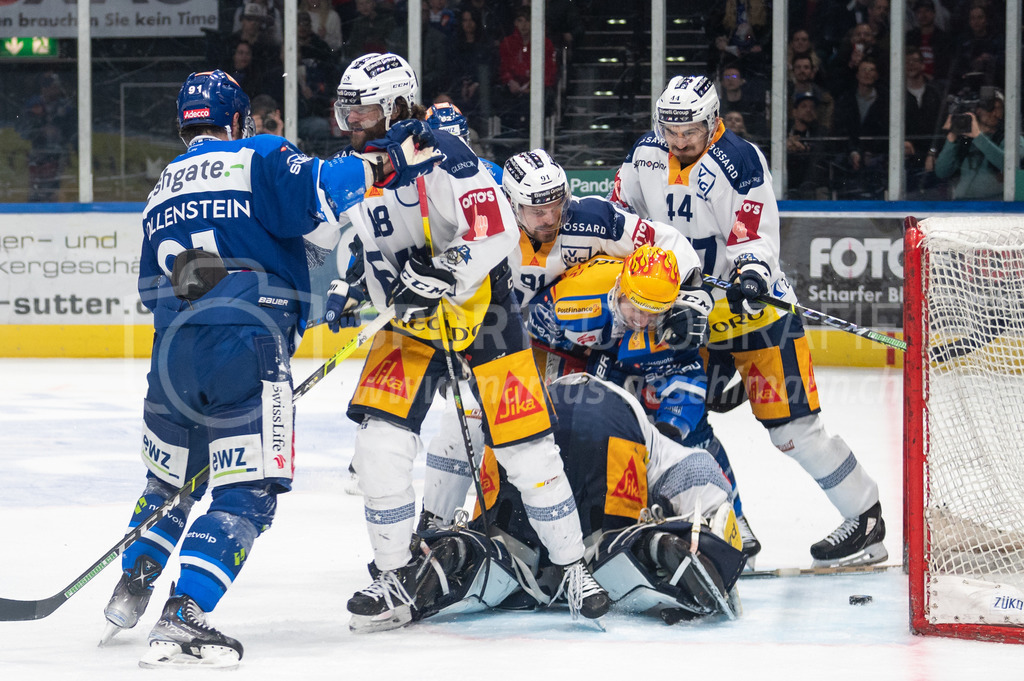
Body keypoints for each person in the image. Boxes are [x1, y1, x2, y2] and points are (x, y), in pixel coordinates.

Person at [99, 69, 440, 668]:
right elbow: (326, 186)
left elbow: (153, 289)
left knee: (170, 484)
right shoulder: (256, 153)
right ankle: (185, 609)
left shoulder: (161, 188)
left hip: (171, 353)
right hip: (245, 342)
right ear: (237, 120)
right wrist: (395, 155)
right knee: (249, 491)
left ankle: (133, 584)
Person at [322, 52, 610, 632]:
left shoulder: (448, 155)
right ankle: (395, 575)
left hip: (485, 318)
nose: (352, 123)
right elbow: (345, 235)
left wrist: (446, 270)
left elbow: (496, 230)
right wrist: (349, 280)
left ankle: (573, 568)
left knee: (528, 451)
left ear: (397, 107)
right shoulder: (352, 169)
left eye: (365, 112)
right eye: (346, 113)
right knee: (379, 446)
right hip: (409, 325)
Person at [418, 149, 762, 565]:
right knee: (469, 419)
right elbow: (449, 286)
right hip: (519, 340)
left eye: (557, 204)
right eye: (537, 210)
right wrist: (452, 346)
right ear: (511, 203)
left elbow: (667, 243)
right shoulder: (483, 230)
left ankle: (722, 520)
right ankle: (435, 525)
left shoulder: (594, 219)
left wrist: (690, 298)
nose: (550, 217)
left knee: (662, 432)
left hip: (596, 339)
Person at [610, 75, 889, 568]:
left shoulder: (739, 160)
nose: (679, 140)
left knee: (793, 432)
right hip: (690, 313)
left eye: (690, 131)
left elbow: (753, 235)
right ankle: (730, 527)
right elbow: (620, 213)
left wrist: (753, 273)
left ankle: (865, 519)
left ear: (712, 121)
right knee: (681, 421)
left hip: (755, 316)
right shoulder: (645, 154)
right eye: (671, 130)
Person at [416, 373, 745, 624]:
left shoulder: (534, 384)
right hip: (615, 426)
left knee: (508, 547)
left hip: (533, 421)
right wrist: (714, 531)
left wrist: (433, 521)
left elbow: (456, 443)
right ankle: (648, 548)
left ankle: (465, 551)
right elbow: (694, 466)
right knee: (604, 549)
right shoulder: (631, 407)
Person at [934, 89, 1024, 200]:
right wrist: (952, 137)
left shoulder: (1011, 139)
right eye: (990, 108)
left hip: (997, 204)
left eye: (999, 108)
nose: (995, 113)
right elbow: (942, 172)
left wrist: (978, 137)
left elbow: (1012, 167)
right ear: (978, 110)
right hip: (961, 203)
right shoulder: (964, 140)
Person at [16, 71, 74, 202]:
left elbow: (72, 129)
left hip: (58, 154)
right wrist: (40, 130)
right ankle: (34, 202)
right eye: (52, 87)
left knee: (54, 187)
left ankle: (53, 201)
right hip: (38, 152)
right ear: (44, 88)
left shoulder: (65, 106)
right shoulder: (32, 105)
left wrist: (60, 134)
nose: (55, 90)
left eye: (57, 87)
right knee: (36, 185)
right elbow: (22, 129)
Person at [786, 91, 830, 200]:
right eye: (804, 106)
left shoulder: (822, 132)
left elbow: (822, 154)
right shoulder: (784, 131)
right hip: (787, 185)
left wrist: (804, 148)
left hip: (813, 186)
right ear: (794, 112)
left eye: (812, 107)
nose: (809, 110)